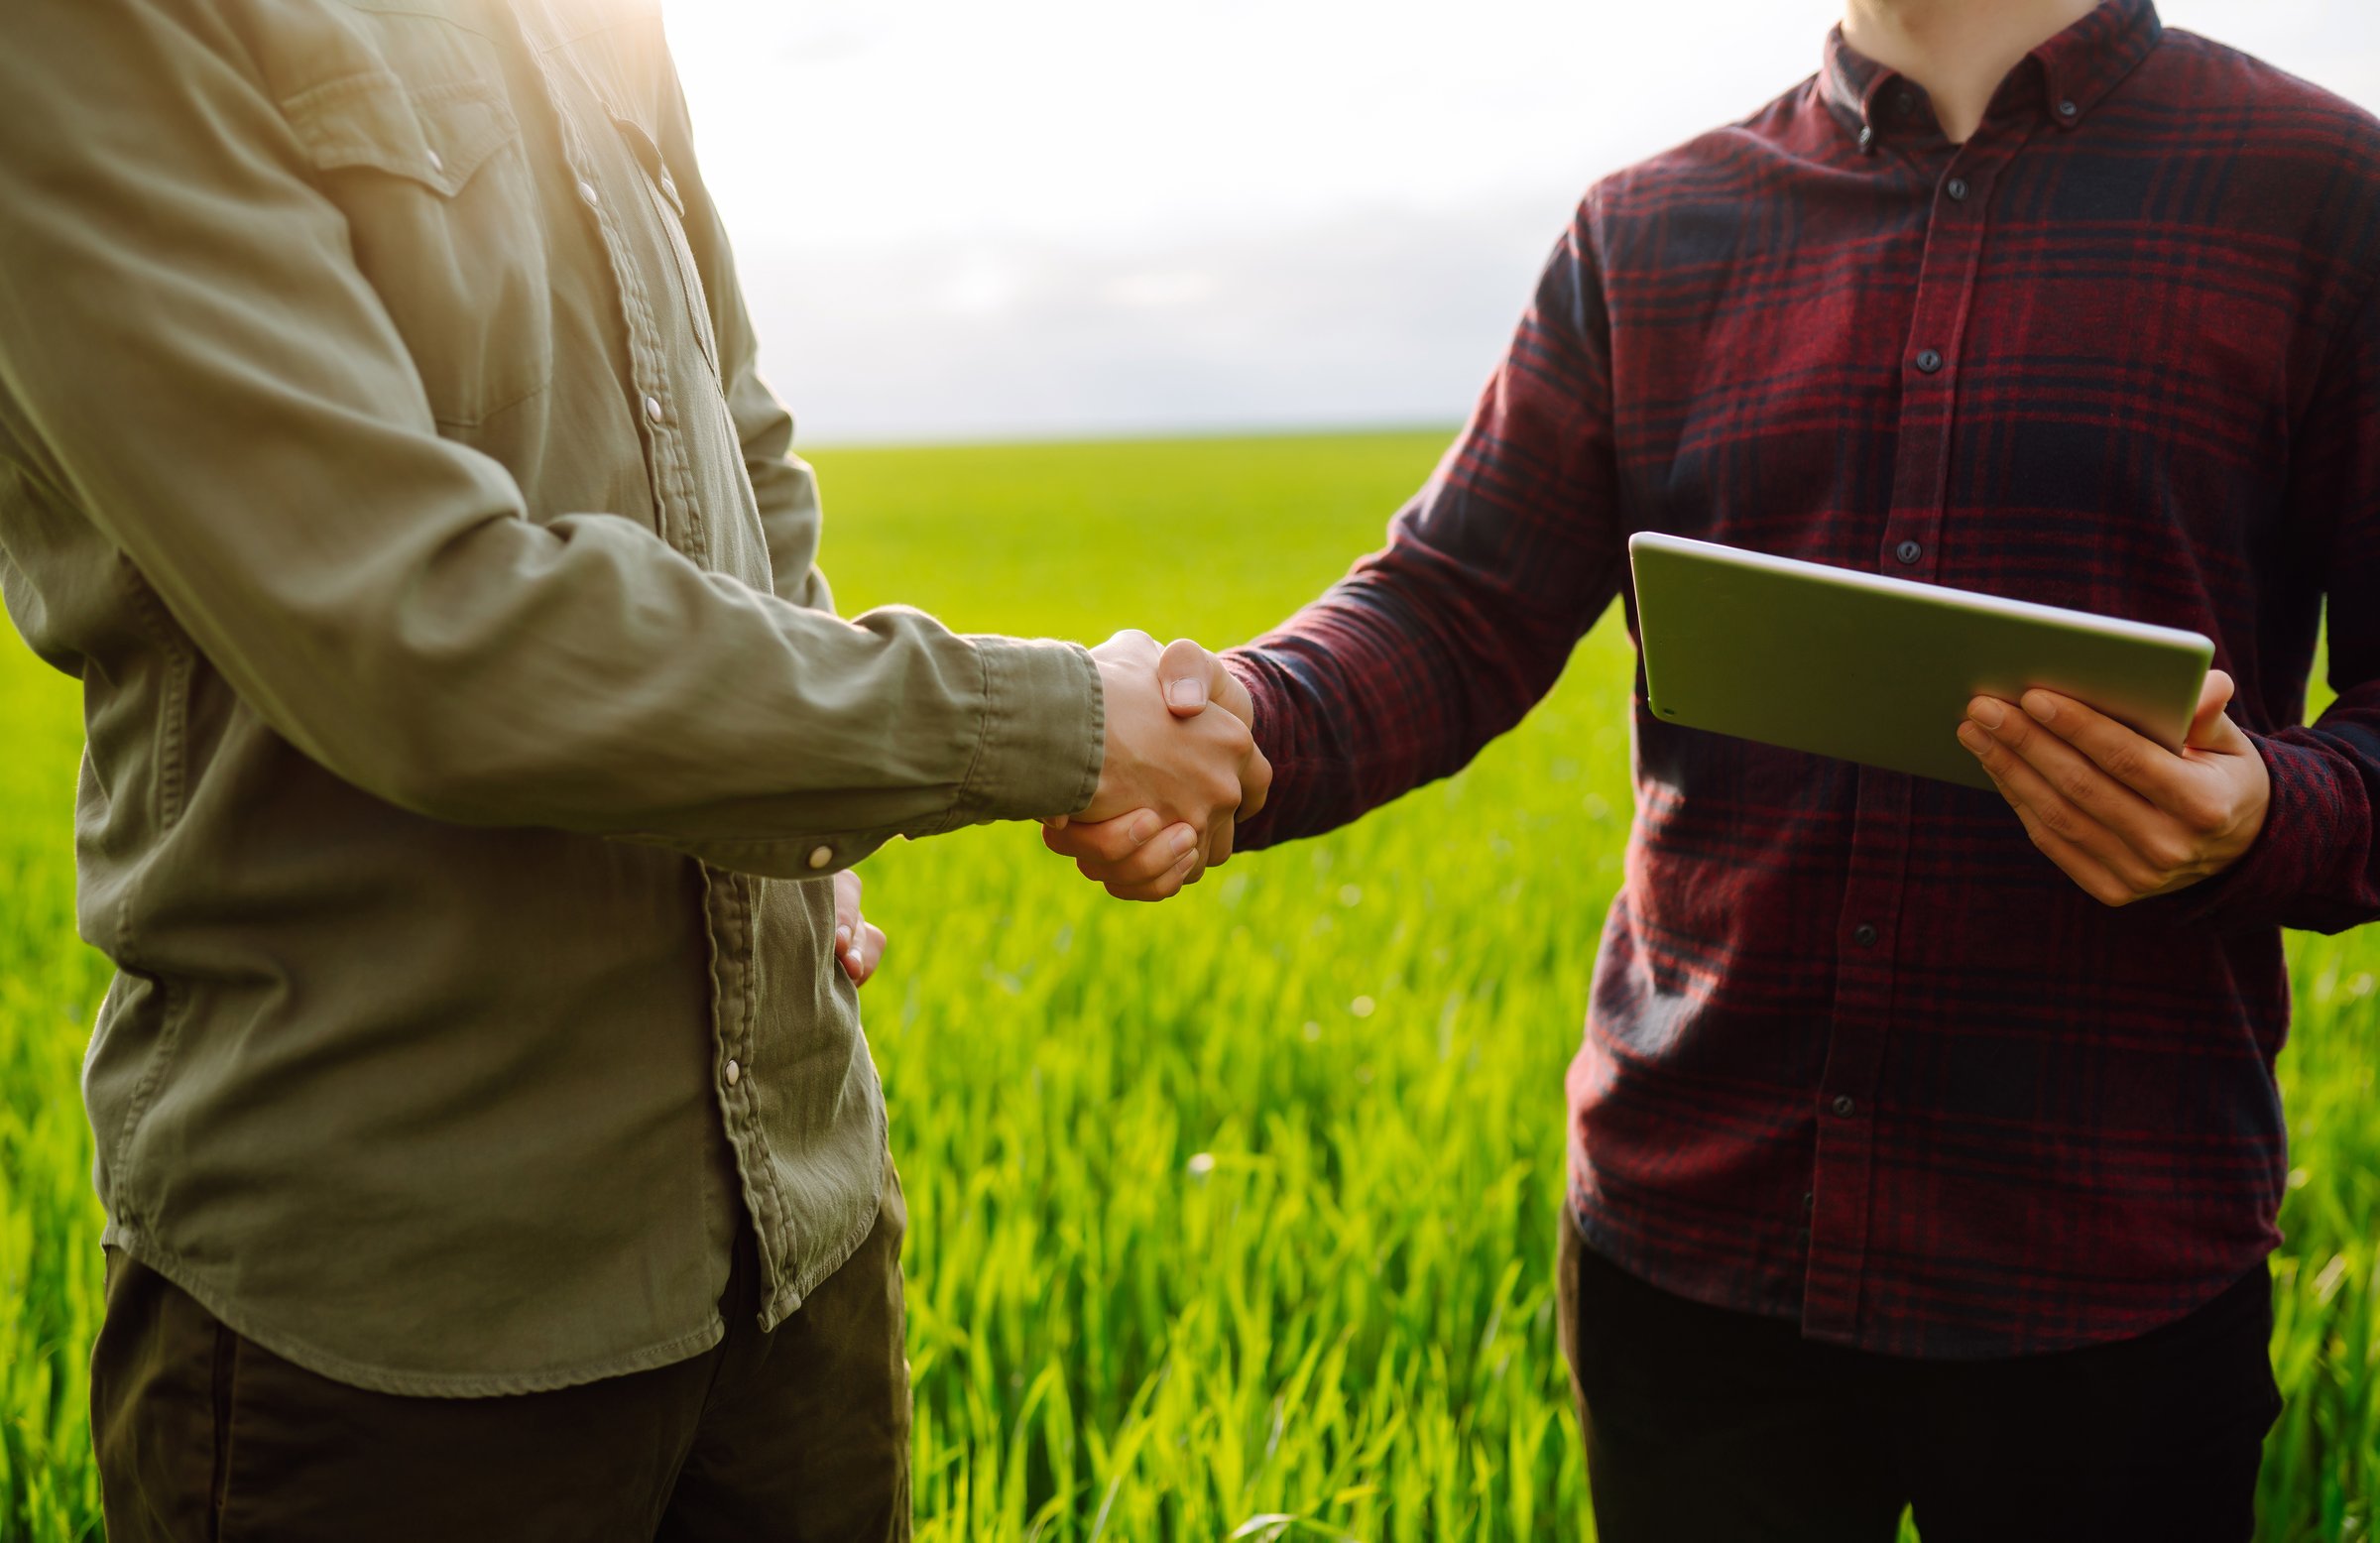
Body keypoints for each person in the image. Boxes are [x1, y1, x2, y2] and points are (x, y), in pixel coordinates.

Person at [1050, 0, 2380, 1535]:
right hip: (1687, 1254)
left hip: (2102, 1263)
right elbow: (1453, 608)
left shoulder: (2322, 195)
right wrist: (1236, 735)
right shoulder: (1648, 227)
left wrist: (2270, 819)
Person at [0, 0, 1266, 1537]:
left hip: (800, 1251)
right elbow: (418, 633)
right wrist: (1051, 722)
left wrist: (810, 806)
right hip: (396, 1324)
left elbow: (740, 458)